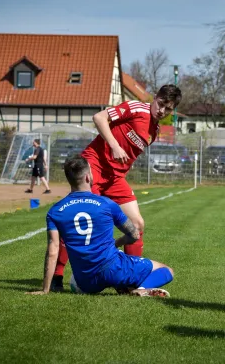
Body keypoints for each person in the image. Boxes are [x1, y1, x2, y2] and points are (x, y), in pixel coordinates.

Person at [50, 84, 182, 291]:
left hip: (115, 178)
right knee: (81, 219)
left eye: (168, 108)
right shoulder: (136, 108)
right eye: (161, 104)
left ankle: (130, 283)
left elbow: (127, 158)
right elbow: (99, 117)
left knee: (137, 224)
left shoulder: (154, 131)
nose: (162, 110)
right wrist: (113, 144)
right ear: (155, 98)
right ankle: (56, 277)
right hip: (94, 167)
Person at [27, 155, 173, 297]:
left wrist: (45, 289)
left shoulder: (55, 211)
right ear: (88, 177)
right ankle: (139, 289)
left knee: (77, 280)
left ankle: (122, 284)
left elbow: (53, 251)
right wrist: (118, 242)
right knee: (166, 270)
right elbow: (134, 234)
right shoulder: (107, 204)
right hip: (113, 269)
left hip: (86, 281)